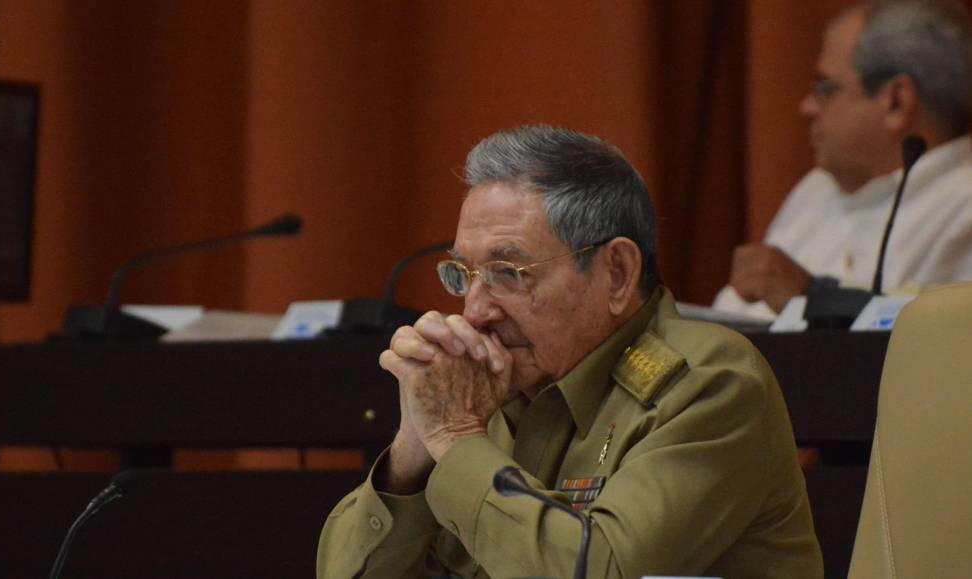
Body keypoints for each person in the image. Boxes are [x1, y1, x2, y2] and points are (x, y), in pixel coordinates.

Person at [316, 125, 822, 578]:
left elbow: (599, 571)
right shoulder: (484, 386)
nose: (474, 312)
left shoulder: (711, 384)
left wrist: (454, 437)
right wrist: (414, 447)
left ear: (617, 273)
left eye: (507, 273)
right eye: (463, 275)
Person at [714, 0, 972, 320]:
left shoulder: (963, 211)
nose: (807, 107)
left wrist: (811, 300)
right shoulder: (817, 189)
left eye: (826, 88)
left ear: (896, 101)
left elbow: (943, 344)